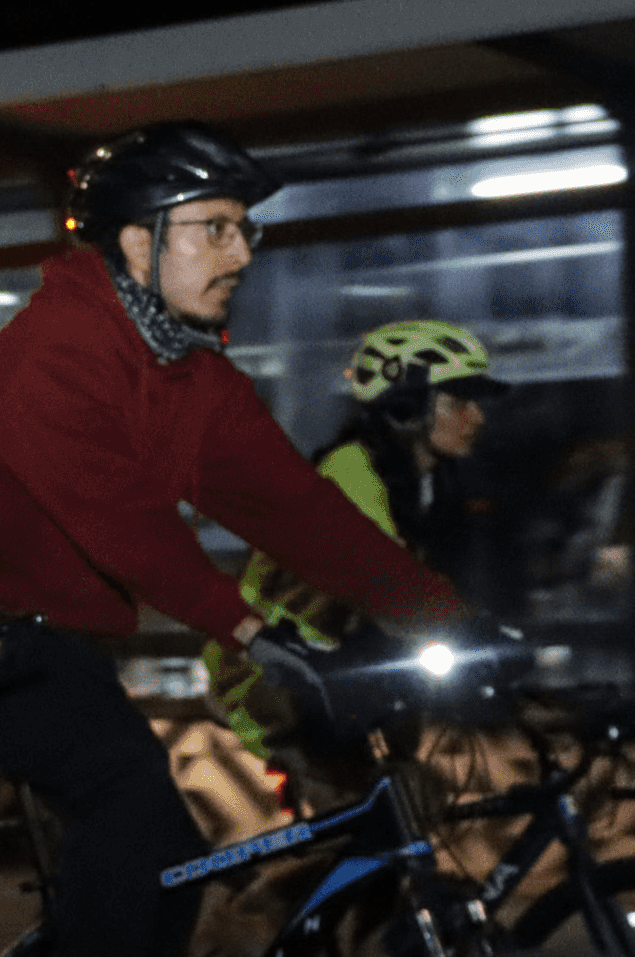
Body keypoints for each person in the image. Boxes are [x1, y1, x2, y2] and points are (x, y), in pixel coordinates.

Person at [0, 121, 468, 957]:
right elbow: (128, 526)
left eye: (246, 231)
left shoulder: (189, 375)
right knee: (137, 821)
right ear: (135, 243)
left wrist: (451, 619)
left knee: (166, 860)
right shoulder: (55, 351)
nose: (242, 252)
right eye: (215, 228)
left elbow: (302, 514)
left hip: (46, 639)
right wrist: (253, 630)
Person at [203, 320, 509, 759]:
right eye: (459, 401)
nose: (476, 416)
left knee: (412, 793)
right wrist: (467, 631)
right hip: (269, 675)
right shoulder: (351, 472)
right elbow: (384, 585)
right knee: (346, 803)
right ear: (407, 408)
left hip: (344, 673)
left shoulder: (432, 485)